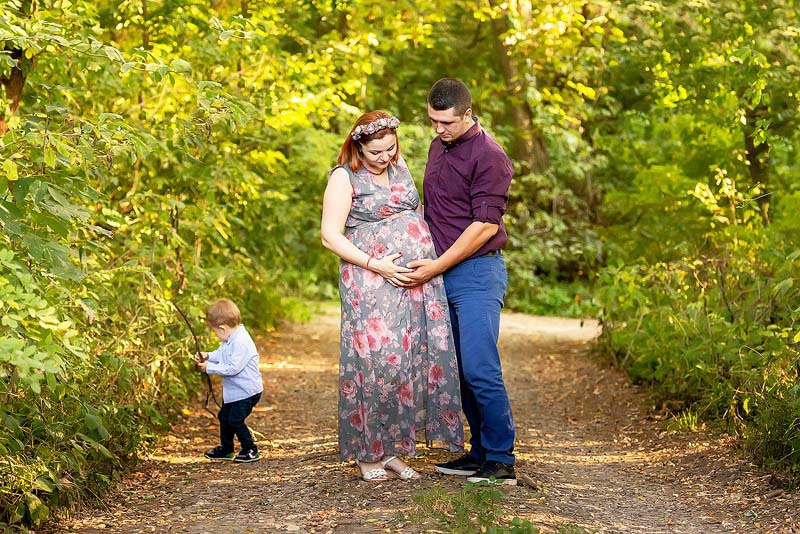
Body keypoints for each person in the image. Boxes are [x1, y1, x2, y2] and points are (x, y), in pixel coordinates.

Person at [321, 110, 464, 481]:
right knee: (377, 365)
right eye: (376, 152)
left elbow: (412, 212)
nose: (385, 156)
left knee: (408, 363)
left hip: (416, 282)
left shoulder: (399, 167)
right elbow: (330, 236)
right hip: (371, 282)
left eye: (390, 148)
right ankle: (368, 453)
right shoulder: (343, 176)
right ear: (358, 147)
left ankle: (393, 451)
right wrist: (377, 263)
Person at [405, 78, 517, 485]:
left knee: (480, 367)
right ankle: (479, 452)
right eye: (432, 121)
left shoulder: (491, 156)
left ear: (468, 114)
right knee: (455, 369)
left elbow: (484, 226)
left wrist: (436, 267)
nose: (438, 129)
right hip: (440, 275)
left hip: (477, 273)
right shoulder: (439, 147)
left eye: (446, 122)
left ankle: (502, 459)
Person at [194, 298, 263, 463]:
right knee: (224, 417)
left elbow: (233, 368)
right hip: (234, 391)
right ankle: (226, 449)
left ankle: (250, 449)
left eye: (215, 331)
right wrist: (208, 355)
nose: (216, 335)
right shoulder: (229, 339)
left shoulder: (241, 342)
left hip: (247, 391)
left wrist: (209, 368)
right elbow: (221, 354)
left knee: (235, 420)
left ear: (223, 328)